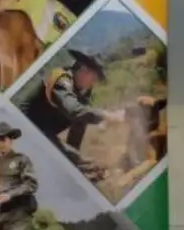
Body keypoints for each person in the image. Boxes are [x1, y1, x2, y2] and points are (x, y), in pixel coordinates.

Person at [21, 50, 125, 178]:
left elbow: (82, 118)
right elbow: (75, 110)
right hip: (25, 127)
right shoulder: (61, 80)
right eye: (93, 78)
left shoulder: (82, 90)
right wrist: (106, 115)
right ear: (83, 70)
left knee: (75, 161)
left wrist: (73, 154)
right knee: (75, 162)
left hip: (45, 131)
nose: (93, 83)